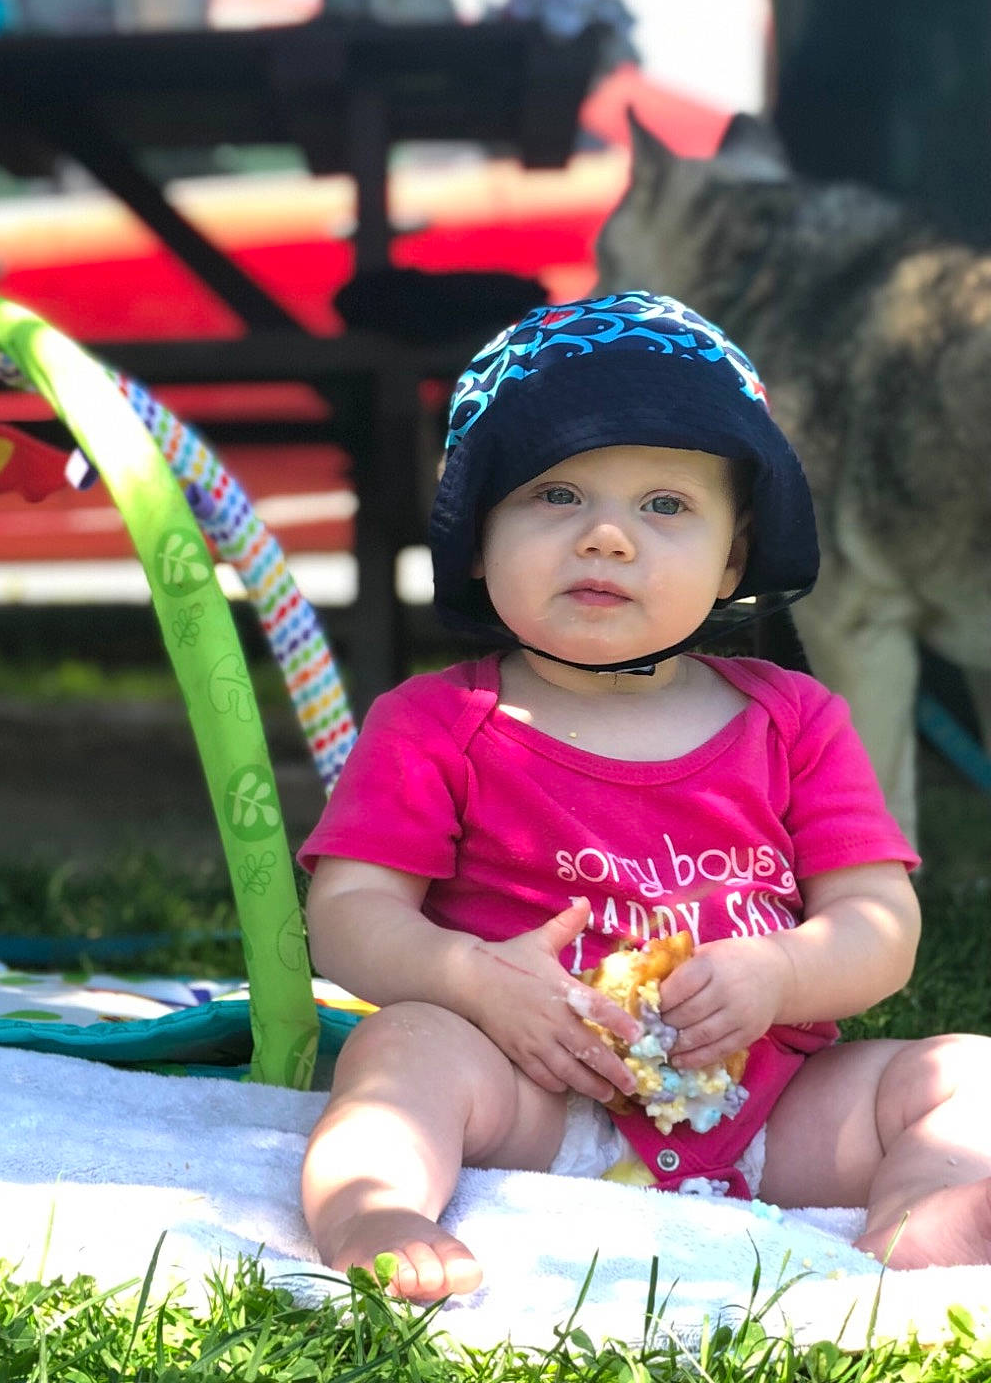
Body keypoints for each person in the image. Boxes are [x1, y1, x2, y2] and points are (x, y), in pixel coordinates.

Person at [297, 292, 991, 1301]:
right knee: (400, 1049)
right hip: (528, 1101)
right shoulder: (434, 723)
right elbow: (348, 918)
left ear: (731, 561)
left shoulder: (793, 719)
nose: (607, 538)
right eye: (555, 495)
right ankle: (374, 1204)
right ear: (476, 536)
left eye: (663, 505)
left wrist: (782, 973)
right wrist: (470, 979)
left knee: (958, 1072)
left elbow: (878, 923)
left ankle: (928, 1210)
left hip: (771, 1109)